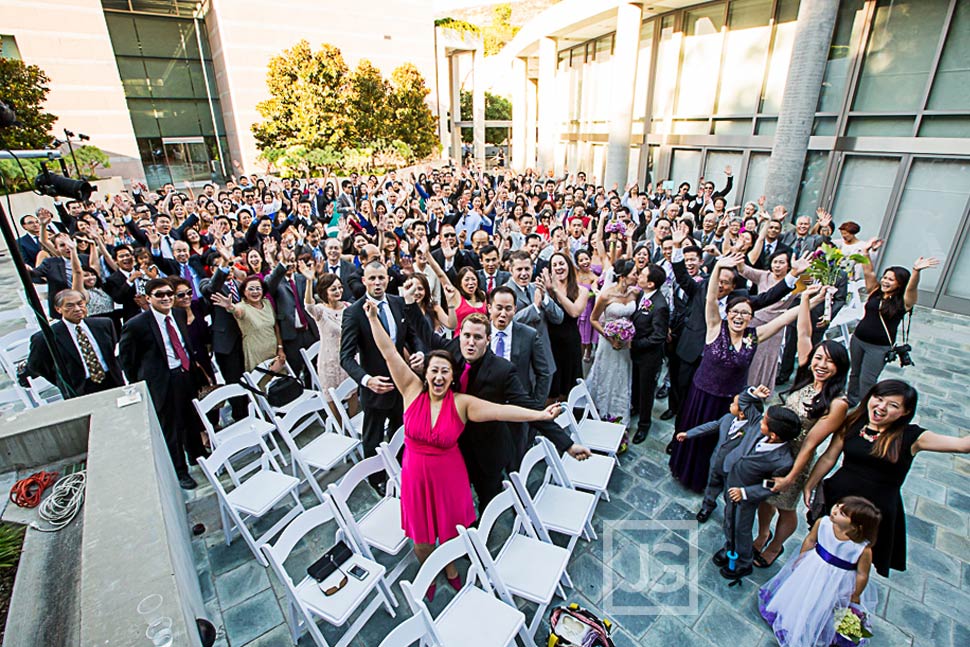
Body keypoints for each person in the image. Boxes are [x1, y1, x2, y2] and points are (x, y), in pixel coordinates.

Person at [363, 298, 562, 600]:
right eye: (434, 371)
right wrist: (375, 318)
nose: (439, 377)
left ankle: (452, 567)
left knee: (450, 529)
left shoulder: (461, 403)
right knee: (421, 534)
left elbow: (502, 411)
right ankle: (429, 571)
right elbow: (389, 353)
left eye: (445, 372)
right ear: (425, 373)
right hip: (416, 476)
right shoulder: (411, 390)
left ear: (452, 377)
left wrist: (540, 415)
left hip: (449, 475)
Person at [669, 255, 820, 493]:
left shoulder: (753, 337)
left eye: (746, 313)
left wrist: (810, 301)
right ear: (728, 314)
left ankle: (710, 483)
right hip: (702, 395)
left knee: (720, 443)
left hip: (729, 401)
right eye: (736, 312)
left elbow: (783, 319)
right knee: (694, 435)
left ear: (751, 318)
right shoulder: (715, 328)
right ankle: (684, 472)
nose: (740, 317)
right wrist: (719, 265)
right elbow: (709, 297)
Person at [803, 379, 970, 577]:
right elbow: (830, 456)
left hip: (874, 509)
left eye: (893, 405)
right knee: (824, 546)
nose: (881, 407)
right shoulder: (854, 422)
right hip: (839, 498)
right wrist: (810, 484)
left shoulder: (912, 437)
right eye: (878, 399)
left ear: (905, 412)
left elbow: (962, 445)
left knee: (855, 563)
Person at [753, 292, 851, 568]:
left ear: (839, 367)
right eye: (819, 358)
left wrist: (792, 477)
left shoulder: (837, 403)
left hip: (796, 460)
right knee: (765, 500)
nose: (821, 365)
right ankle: (762, 534)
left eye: (829, 362)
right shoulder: (808, 373)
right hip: (774, 448)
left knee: (784, 505)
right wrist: (806, 296)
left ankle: (775, 545)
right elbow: (804, 332)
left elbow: (810, 445)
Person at [340, 261, 422, 493]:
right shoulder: (354, 312)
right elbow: (345, 357)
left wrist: (418, 353)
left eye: (381, 278)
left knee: (401, 428)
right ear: (364, 281)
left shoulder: (397, 303)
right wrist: (367, 380)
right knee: (374, 436)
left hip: (403, 384)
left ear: (388, 279)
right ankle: (376, 479)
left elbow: (412, 336)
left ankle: (401, 469)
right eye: (372, 278)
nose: (377, 283)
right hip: (377, 387)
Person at [118, 278, 207, 489]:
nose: (166, 298)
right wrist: (143, 382)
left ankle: (197, 454)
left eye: (169, 293)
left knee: (191, 419)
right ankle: (180, 470)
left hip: (184, 374)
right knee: (172, 427)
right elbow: (127, 360)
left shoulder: (177, 313)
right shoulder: (136, 325)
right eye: (159, 295)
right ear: (148, 299)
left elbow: (184, 342)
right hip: (162, 382)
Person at [758, 497, 881, 647]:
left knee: (829, 605)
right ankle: (795, 620)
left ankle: (821, 629)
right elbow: (810, 540)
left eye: (842, 513)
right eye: (837, 505)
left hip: (838, 581)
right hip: (812, 568)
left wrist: (855, 593)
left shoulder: (862, 548)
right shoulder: (823, 523)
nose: (834, 511)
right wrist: (801, 557)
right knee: (803, 593)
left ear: (856, 527)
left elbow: (862, 573)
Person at [713, 405, 801, 579]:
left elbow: (771, 487)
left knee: (741, 529)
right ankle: (730, 548)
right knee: (729, 521)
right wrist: (754, 392)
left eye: (764, 421)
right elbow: (745, 402)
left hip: (745, 497)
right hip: (732, 484)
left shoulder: (782, 461)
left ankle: (744, 562)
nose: (760, 421)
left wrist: (745, 493)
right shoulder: (757, 430)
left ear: (774, 435)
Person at [846, 250, 939, 405]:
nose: (885, 281)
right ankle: (851, 399)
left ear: (900, 284)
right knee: (854, 373)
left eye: (891, 279)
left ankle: (865, 406)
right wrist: (866, 253)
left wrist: (916, 271)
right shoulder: (876, 292)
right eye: (885, 277)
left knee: (867, 379)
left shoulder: (903, 302)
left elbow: (911, 289)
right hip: (858, 339)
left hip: (878, 348)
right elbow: (868, 272)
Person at [676, 386, 769, 522]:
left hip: (733, 472)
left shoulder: (752, 430)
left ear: (743, 413)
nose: (730, 405)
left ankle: (730, 517)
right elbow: (711, 426)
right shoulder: (727, 418)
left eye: (734, 404)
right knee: (711, 486)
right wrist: (688, 434)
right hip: (716, 463)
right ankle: (707, 506)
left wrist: (754, 395)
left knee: (729, 496)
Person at [26, 289, 124, 399]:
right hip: (80, 389)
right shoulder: (47, 337)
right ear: (58, 309)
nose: (77, 309)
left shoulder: (104, 324)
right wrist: (62, 381)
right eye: (69, 306)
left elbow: (112, 352)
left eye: (80, 304)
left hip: (112, 381)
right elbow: (36, 366)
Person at [585, 259, 638, 424]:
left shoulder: (634, 293)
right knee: (606, 375)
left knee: (621, 376)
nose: (637, 277)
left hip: (625, 344)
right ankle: (600, 410)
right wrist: (610, 337)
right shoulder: (606, 295)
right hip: (608, 342)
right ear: (623, 276)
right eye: (634, 274)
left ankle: (619, 413)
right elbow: (593, 319)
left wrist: (628, 335)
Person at [297, 262, 349, 402]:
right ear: (325, 291)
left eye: (340, 288)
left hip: (347, 357)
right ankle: (338, 424)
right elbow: (308, 305)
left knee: (352, 392)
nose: (338, 291)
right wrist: (309, 280)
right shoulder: (320, 311)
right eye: (333, 289)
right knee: (331, 397)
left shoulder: (348, 307)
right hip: (329, 360)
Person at [630, 264, 670, 443]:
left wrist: (635, 344)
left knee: (647, 391)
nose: (639, 276)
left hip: (649, 357)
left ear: (651, 284)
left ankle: (644, 424)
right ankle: (635, 408)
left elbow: (658, 336)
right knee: (636, 385)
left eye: (643, 275)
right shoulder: (641, 295)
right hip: (636, 354)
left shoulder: (660, 305)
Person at [211, 275, 284, 372]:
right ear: (244, 292)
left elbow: (275, 326)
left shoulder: (267, 303)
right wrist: (230, 307)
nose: (255, 292)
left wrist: (280, 348)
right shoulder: (242, 307)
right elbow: (237, 311)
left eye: (258, 288)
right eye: (251, 289)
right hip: (255, 354)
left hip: (273, 351)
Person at [542, 252, 589, 400]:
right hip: (550, 341)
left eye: (561, 263)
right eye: (554, 265)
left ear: (568, 266)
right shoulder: (546, 289)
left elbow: (574, 312)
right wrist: (549, 290)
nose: (558, 267)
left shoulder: (582, 290)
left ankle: (567, 416)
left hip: (570, 341)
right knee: (551, 386)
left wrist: (556, 290)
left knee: (568, 387)